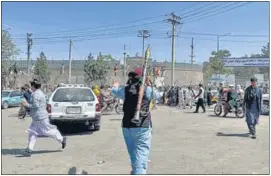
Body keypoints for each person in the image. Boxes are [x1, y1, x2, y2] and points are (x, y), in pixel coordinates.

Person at [111, 67, 153, 175]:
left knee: (134, 154)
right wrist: (151, 84)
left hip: (127, 126)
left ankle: (135, 171)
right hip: (142, 126)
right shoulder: (146, 89)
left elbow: (114, 91)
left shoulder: (125, 89)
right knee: (141, 155)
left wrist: (115, 85)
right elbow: (156, 95)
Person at [21, 79, 67, 157]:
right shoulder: (37, 93)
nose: (30, 87)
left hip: (40, 117)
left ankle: (62, 139)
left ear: (33, 86)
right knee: (32, 132)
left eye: (31, 85)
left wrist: (26, 105)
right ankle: (29, 149)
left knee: (48, 131)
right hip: (37, 117)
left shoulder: (36, 94)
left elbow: (35, 106)